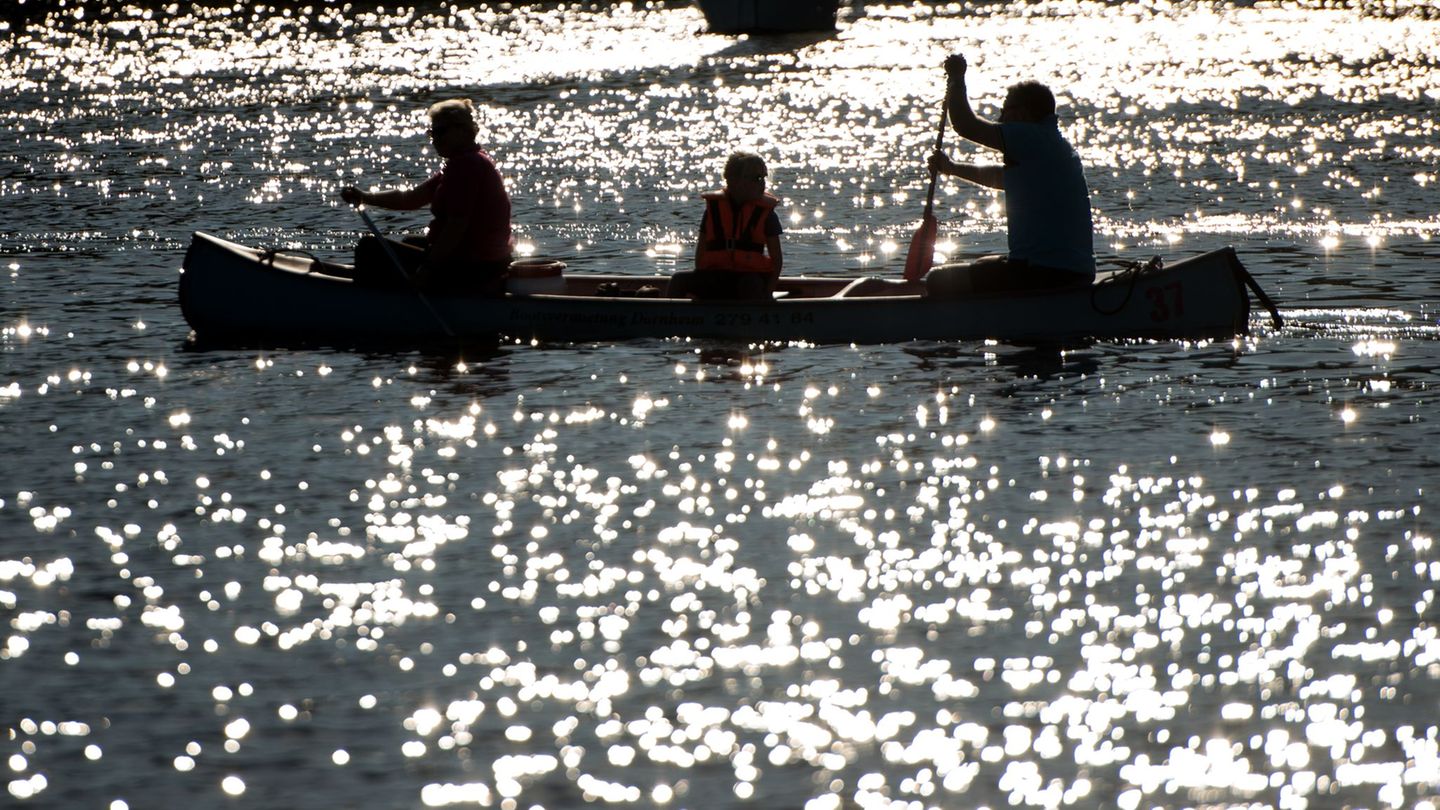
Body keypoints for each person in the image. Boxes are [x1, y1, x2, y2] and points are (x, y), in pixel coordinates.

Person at [924, 54, 1095, 296]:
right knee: (984, 263)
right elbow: (1001, 179)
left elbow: (965, 125)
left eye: (1005, 111)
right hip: (1075, 271)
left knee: (937, 280)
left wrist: (957, 79)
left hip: (1045, 273)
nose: (1001, 118)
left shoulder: (1030, 136)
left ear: (1022, 114)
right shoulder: (1052, 145)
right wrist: (952, 168)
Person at [340, 98, 513, 294]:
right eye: (432, 133)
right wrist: (364, 197)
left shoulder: (466, 166)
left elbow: (456, 225)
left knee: (369, 248)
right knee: (411, 242)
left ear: (463, 130)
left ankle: (369, 302)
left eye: (441, 132)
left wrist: (428, 269)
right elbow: (411, 198)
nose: (435, 139)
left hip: (477, 267)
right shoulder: (465, 161)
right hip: (483, 261)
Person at [667, 150, 784, 300]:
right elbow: (700, 257)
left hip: (750, 277)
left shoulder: (767, 214)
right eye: (756, 178)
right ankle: (674, 313)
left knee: (750, 285)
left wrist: (768, 293)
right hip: (717, 276)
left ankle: (752, 314)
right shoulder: (714, 210)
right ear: (733, 180)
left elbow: (777, 261)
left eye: (764, 178)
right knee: (678, 280)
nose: (762, 183)